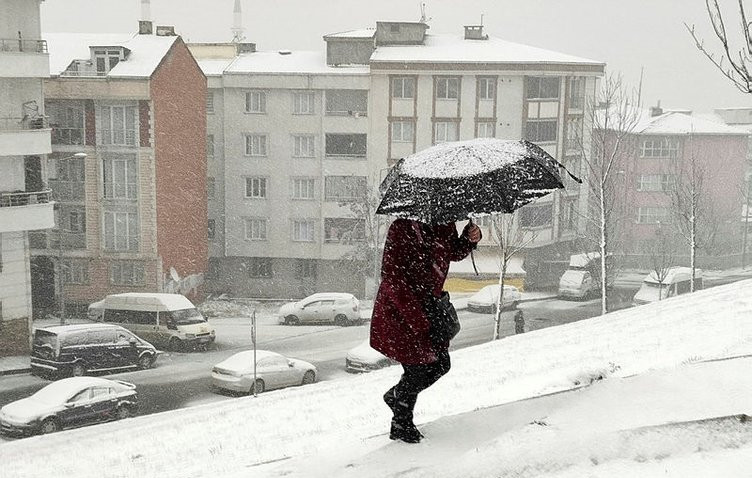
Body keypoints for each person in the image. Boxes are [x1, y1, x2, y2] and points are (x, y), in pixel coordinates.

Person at [370, 218, 481, 443]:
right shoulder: (401, 227)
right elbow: (393, 278)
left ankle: (396, 397)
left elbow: (450, 252)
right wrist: (418, 318)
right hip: (402, 309)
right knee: (417, 370)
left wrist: (468, 241)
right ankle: (401, 425)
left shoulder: (444, 223)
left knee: (441, 364)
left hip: (431, 306)